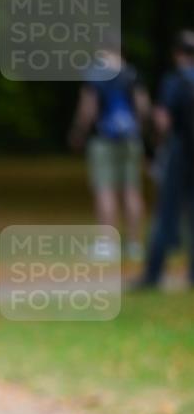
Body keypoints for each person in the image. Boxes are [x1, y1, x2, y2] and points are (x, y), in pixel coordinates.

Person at [69, 46, 150, 261]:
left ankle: (108, 244)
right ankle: (134, 244)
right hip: (131, 139)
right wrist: (139, 130)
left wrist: (79, 131)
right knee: (132, 190)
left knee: (105, 190)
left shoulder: (96, 75)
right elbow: (143, 106)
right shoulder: (131, 73)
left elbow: (89, 108)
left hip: (103, 140)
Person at [134, 30, 194, 289]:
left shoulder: (175, 81)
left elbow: (163, 120)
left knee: (166, 212)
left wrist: (153, 148)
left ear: (177, 54)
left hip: (179, 152)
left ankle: (153, 273)